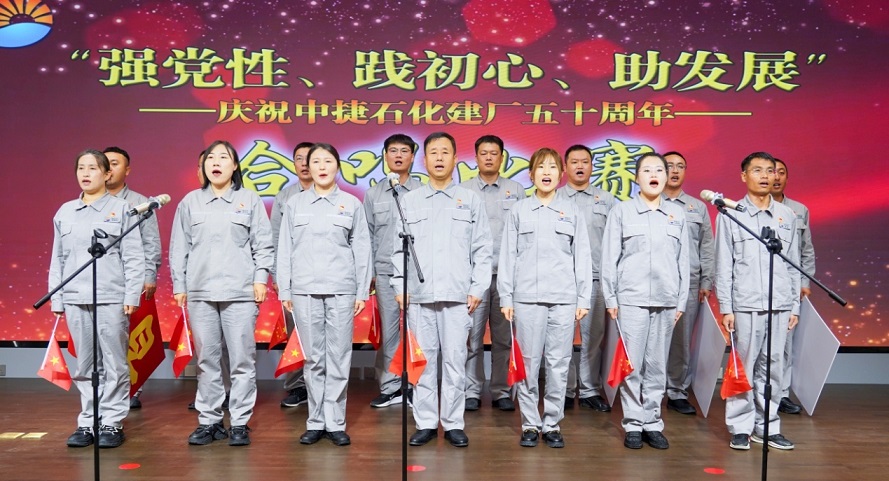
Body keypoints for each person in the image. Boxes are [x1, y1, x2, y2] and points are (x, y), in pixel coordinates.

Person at [170, 140, 274, 447]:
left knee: (242, 360)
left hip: (240, 292)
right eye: (211, 158)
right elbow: (179, 247)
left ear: (235, 165)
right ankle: (210, 420)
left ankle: (239, 422)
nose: (215, 162)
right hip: (201, 292)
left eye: (223, 157)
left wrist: (260, 279)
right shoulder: (190, 202)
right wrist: (179, 285)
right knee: (207, 360)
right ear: (203, 166)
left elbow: (263, 245)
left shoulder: (249, 200)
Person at [392, 132, 493, 448]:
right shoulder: (409, 201)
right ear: (424, 160)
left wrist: (478, 288)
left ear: (455, 159)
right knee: (422, 363)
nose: (439, 158)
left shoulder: (470, 199)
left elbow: (482, 248)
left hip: (458, 296)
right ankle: (424, 423)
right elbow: (398, 249)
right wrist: (400, 285)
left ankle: (452, 423)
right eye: (433, 152)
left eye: (445, 152)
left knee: (454, 362)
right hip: (419, 297)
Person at [277, 143, 372, 446]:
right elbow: (284, 249)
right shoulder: (295, 204)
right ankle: (315, 421)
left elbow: (362, 250)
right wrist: (285, 288)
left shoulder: (351, 204)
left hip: (341, 290)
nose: (321, 166)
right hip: (304, 290)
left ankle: (336, 422)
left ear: (337, 167)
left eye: (327, 161)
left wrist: (361, 290)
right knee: (313, 359)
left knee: (339, 357)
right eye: (315, 161)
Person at [50, 149, 145, 449]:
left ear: (107, 174)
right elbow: (58, 258)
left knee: (115, 363)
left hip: (111, 296)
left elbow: (134, 256)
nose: (86, 173)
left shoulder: (123, 209)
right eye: (81, 168)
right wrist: (57, 298)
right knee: (86, 365)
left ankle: (112, 422)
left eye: (93, 168)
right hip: (75, 297)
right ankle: (88, 421)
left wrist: (132, 293)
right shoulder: (65, 211)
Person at [498, 148, 592, 448]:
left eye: (552, 167)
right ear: (531, 174)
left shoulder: (572, 211)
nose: (547, 172)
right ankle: (529, 423)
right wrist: (506, 297)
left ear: (560, 174)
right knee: (528, 363)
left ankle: (552, 424)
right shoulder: (519, 211)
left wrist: (583, 298)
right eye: (541, 167)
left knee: (558, 363)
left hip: (564, 298)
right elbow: (507, 256)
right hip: (526, 298)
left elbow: (582, 256)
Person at [601, 153, 689, 450]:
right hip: (631, 298)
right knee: (632, 364)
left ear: (665, 177)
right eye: (647, 170)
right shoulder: (622, 212)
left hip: (666, 299)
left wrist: (681, 302)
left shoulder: (677, 214)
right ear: (636, 177)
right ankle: (633, 423)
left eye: (659, 170)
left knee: (657, 365)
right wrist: (611, 297)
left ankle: (653, 422)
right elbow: (609, 258)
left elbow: (684, 261)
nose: (654, 175)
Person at [716, 151, 800, 451]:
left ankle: (768, 426)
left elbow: (793, 264)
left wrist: (794, 305)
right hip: (745, 303)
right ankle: (740, 427)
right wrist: (726, 307)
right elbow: (723, 264)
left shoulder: (787, 216)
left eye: (770, 171)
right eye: (757, 170)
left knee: (773, 368)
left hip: (780, 304)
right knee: (744, 366)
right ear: (744, 176)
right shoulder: (731, 214)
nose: (765, 176)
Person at [461, 135, 526, 413]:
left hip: (506, 278)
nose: (489, 157)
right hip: (473, 277)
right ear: (476, 157)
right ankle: (471, 390)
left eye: (494, 153)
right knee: (472, 338)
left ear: (502, 157)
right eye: (484, 153)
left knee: (503, 338)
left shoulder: (516, 190)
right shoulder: (463, 191)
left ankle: (501, 390)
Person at [364, 134, 423, 408]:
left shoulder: (423, 191)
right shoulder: (373, 194)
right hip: (386, 273)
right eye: (393, 151)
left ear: (413, 156)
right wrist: (369, 274)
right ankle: (391, 387)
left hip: (417, 274)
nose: (398, 155)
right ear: (385, 156)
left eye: (404, 151)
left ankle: (415, 386)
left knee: (418, 331)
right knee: (390, 332)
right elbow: (366, 236)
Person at [102, 146, 163, 410]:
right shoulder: (90, 201)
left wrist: (149, 275)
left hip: (132, 280)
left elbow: (151, 242)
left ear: (127, 170)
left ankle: (132, 388)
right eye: (106, 163)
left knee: (130, 335)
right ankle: (104, 391)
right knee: (104, 339)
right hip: (101, 280)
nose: (110, 168)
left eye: (115, 163)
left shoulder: (140, 202)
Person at [558, 144, 616, 412]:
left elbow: (615, 242)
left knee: (593, 338)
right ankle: (565, 389)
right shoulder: (555, 197)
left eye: (585, 162)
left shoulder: (607, 200)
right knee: (561, 338)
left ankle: (590, 389)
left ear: (592, 166)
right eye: (574, 162)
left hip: (595, 279)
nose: (579, 166)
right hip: (562, 280)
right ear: (564, 167)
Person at [662, 151, 716, 416]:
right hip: (654, 283)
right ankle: (646, 390)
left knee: (681, 341)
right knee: (649, 340)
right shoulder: (645, 204)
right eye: (669, 166)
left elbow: (707, 247)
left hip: (689, 283)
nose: (674, 170)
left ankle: (676, 392)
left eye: (680, 166)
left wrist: (706, 280)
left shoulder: (697, 207)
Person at [270, 141, 313, 408]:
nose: (305, 163)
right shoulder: (284, 197)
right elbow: (275, 239)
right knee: (295, 334)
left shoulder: (335, 197)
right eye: (299, 158)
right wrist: (277, 276)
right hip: (292, 278)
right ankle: (297, 387)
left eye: (310, 158)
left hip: (323, 276)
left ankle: (321, 386)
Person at [771, 158, 815, 416]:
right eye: (771, 171)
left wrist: (804, 282)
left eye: (781, 172)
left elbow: (806, 250)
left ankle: (782, 394)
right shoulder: (746, 210)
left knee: (785, 344)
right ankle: (757, 393)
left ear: (787, 177)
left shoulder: (799, 210)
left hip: (789, 287)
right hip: (758, 286)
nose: (775, 177)